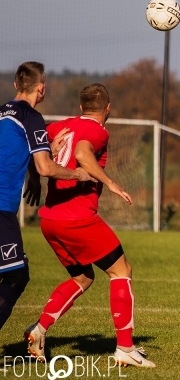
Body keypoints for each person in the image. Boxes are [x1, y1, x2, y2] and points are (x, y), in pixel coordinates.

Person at [23, 83, 156, 368]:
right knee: (122, 271)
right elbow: (83, 154)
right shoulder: (98, 131)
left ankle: (39, 330)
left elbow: (34, 153)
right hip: (78, 219)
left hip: (50, 220)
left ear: (81, 107)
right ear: (108, 109)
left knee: (83, 278)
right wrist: (112, 183)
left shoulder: (58, 127)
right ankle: (125, 348)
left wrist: (34, 180)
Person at [0, 61, 91, 332]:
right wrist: (79, 175)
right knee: (16, 276)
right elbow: (45, 166)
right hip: (1, 208)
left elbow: (18, 150)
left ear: (16, 84)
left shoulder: (3, 113)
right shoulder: (30, 116)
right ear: (42, 89)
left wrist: (34, 177)